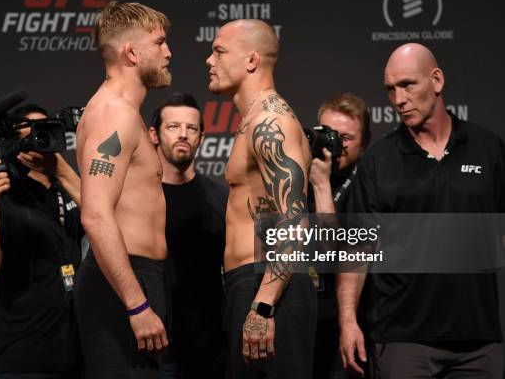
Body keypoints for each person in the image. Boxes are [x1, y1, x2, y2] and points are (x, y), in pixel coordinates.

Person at [338, 43, 505, 378]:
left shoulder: (488, 149)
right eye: (390, 89)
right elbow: (356, 248)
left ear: (437, 81)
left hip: (479, 341)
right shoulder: (378, 161)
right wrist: (348, 321)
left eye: (407, 85)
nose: (398, 99)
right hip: (403, 339)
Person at [206, 19, 316, 378]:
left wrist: (264, 306)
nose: (209, 60)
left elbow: (294, 222)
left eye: (219, 51)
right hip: (253, 283)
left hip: (269, 288)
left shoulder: (272, 122)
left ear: (251, 60)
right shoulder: (254, 120)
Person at [74, 1, 172, 379]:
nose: (169, 52)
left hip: (135, 278)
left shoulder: (118, 112)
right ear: (131, 52)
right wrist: (135, 305)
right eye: (160, 42)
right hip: (121, 284)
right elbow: (96, 214)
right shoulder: (112, 112)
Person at [0, 104, 83, 378]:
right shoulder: (4, 194)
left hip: (80, 359)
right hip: (24, 361)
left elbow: (107, 222)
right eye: (29, 132)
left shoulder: (68, 188)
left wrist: (63, 172)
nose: (37, 138)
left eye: (44, 130)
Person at [148, 92, 228, 378]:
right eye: (173, 127)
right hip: (153, 349)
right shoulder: (137, 200)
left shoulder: (221, 199)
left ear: (201, 137)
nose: (183, 135)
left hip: (211, 350)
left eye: (191, 128)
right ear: (154, 135)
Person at [308, 93, 371, 378]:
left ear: (365, 142)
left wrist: (321, 185)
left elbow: (328, 250)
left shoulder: (370, 187)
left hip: (350, 323)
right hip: (303, 322)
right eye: (329, 133)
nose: (336, 145)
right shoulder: (295, 178)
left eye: (346, 137)